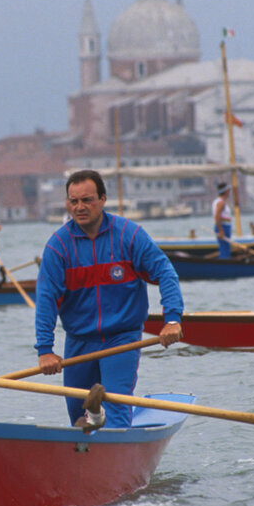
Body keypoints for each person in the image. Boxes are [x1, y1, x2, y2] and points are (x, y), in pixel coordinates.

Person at [35, 169, 183, 429]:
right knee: (77, 417)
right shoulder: (57, 246)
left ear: (103, 200)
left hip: (121, 339)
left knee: (116, 406)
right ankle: (94, 421)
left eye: (87, 200)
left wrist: (172, 320)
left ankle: (110, 432)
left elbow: (166, 274)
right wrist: (45, 350)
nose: (80, 207)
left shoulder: (130, 235)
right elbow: (46, 300)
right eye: (74, 201)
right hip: (79, 341)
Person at [212, 182, 234, 258]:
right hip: (223, 227)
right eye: (228, 190)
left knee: (225, 249)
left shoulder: (219, 201)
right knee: (225, 250)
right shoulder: (221, 202)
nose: (229, 192)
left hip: (224, 227)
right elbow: (217, 216)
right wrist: (221, 230)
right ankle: (225, 265)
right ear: (225, 191)